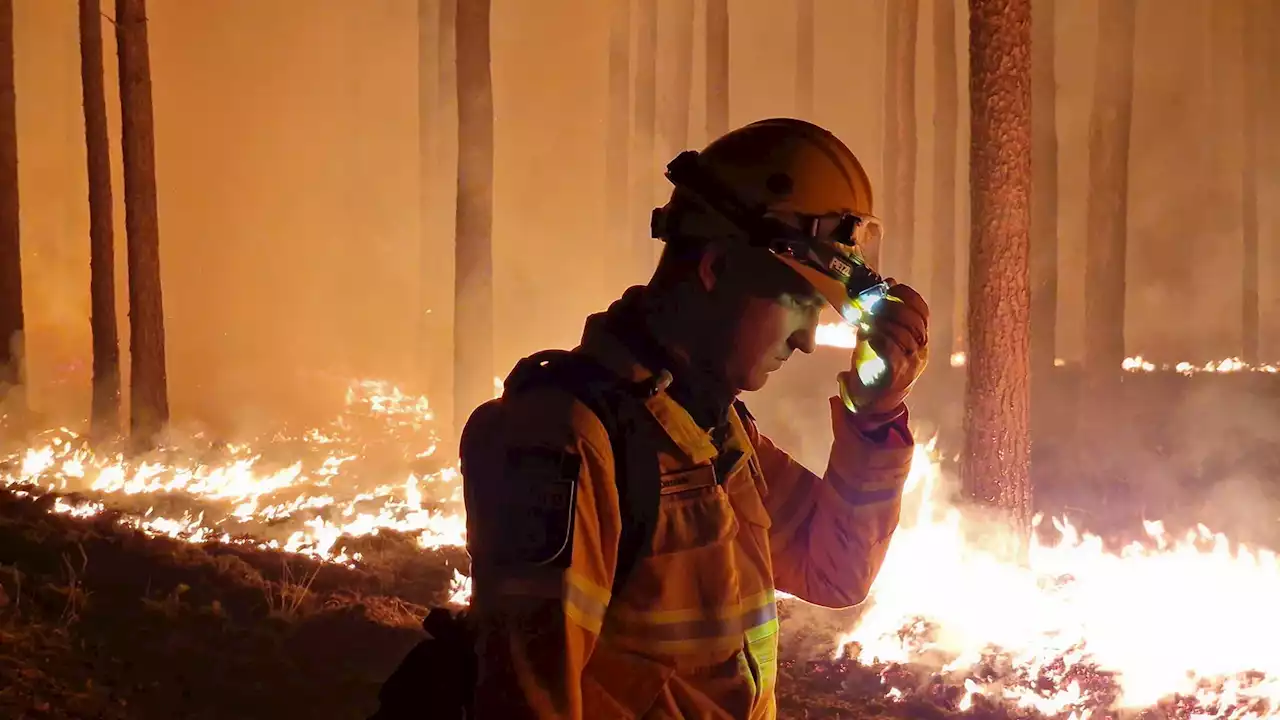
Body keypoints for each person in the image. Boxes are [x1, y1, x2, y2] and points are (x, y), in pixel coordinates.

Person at [460, 118, 929, 719]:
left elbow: (833, 571)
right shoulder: (570, 441)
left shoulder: (712, 430)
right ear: (718, 269)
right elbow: (528, 705)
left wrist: (875, 412)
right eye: (801, 304)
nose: (811, 340)